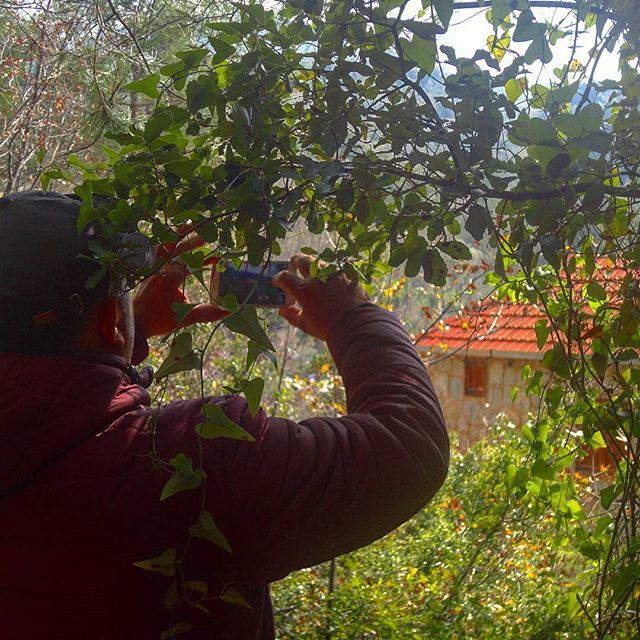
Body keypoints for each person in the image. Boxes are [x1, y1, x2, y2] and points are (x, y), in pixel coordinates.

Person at [0, 191, 449, 639]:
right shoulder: (197, 462)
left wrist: (122, 335)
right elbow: (408, 446)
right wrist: (352, 317)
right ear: (109, 316)